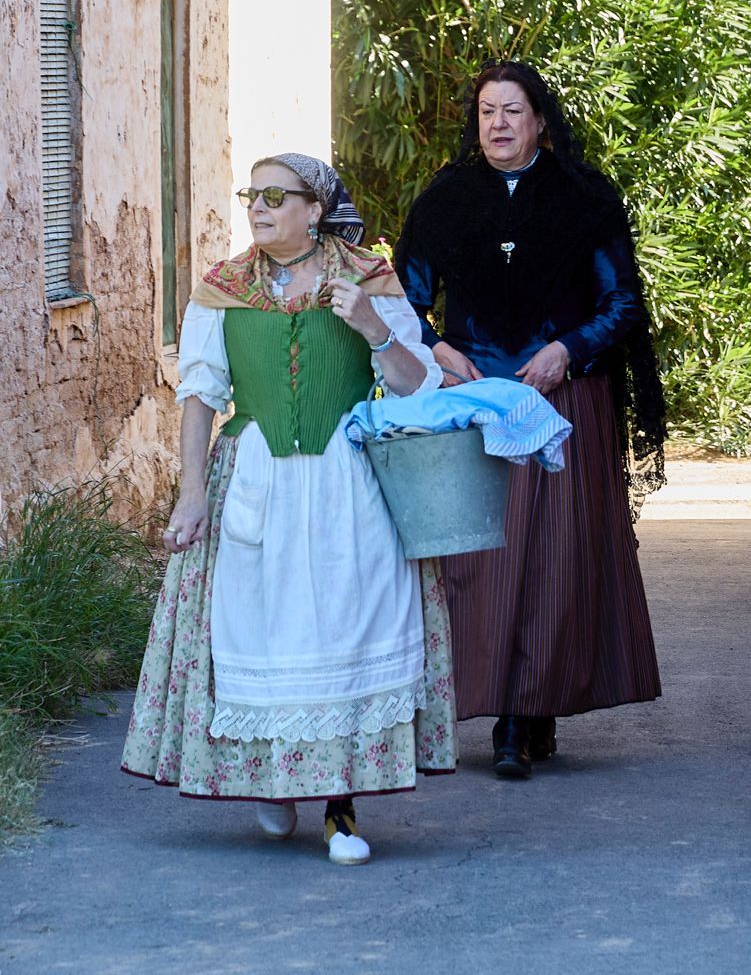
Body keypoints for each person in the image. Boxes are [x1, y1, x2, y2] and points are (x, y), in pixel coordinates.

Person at [122, 154, 456, 864]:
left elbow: (413, 389)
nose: (259, 206)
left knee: (345, 626)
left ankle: (340, 808)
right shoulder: (223, 287)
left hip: (347, 483)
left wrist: (373, 328)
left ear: (316, 208)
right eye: (253, 194)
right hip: (255, 481)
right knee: (262, 628)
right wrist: (190, 494)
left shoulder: (368, 279)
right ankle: (274, 782)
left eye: (277, 195)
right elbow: (201, 396)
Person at [393, 62, 664, 778]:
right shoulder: (446, 200)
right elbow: (404, 304)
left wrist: (565, 351)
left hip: (560, 397)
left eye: (513, 110)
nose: (499, 125)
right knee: (479, 557)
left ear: (541, 119)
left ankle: (528, 713)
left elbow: (623, 305)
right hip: (473, 394)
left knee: (552, 556)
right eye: (487, 112)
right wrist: (441, 349)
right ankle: (502, 711)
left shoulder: (584, 198)